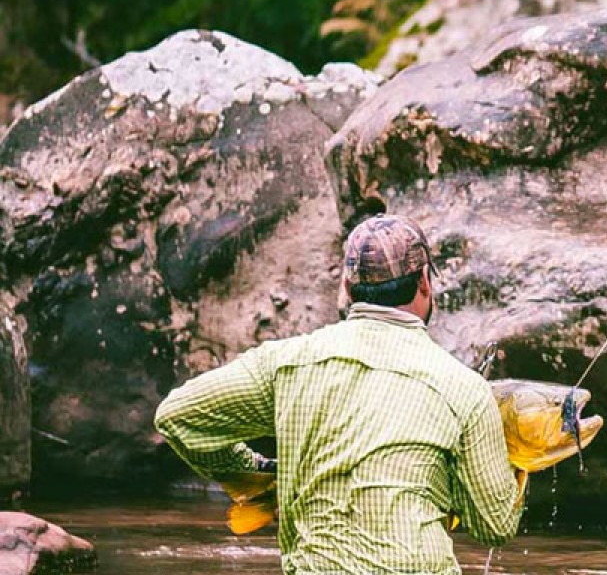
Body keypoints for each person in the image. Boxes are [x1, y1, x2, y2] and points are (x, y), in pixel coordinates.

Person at [154, 214, 523, 574]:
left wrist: (255, 470)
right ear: (424, 282)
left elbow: (178, 417)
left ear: (347, 288)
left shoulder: (285, 363)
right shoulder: (463, 388)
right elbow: (495, 526)